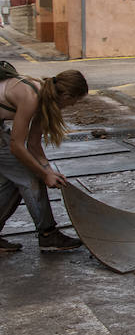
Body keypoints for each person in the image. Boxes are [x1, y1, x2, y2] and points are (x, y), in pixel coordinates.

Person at [0, 68, 88, 253]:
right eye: (74, 101)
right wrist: (42, 174)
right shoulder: (31, 97)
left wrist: (48, 170)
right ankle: (48, 235)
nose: (72, 105)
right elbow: (16, 146)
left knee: (17, 180)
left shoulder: (45, 100)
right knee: (30, 177)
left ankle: (48, 234)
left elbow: (33, 144)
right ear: (66, 94)